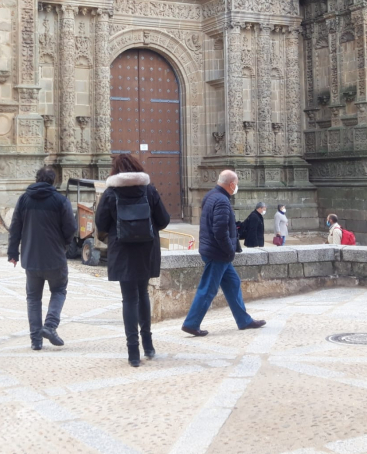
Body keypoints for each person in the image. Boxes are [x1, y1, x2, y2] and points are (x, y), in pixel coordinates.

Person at [95, 154, 170, 368]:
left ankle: (133, 353)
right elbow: (163, 220)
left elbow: (100, 223)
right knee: (143, 293)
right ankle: (148, 345)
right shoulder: (149, 190)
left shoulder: (111, 193)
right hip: (146, 249)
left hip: (122, 250)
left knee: (128, 299)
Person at [181, 170, 266, 336]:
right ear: (231, 184)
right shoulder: (221, 201)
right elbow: (220, 231)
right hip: (218, 253)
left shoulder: (210, 196)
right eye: (237, 183)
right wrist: (229, 250)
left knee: (233, 283)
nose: (237, 186)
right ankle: (191, 323)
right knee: (208, 289)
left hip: (213, 250)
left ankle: (244, 320)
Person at [8, 167, 77, 351]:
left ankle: (35, 340)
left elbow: (15, 227)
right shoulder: (61, 201)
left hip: (31, 257)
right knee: (59, 290)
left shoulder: (24, 199)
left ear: (37, 179)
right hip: (55, 257)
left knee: (33, 298)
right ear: (53, 181)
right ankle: (50, 326)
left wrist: (13, 253)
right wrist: (65, 244)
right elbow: (71, 228)